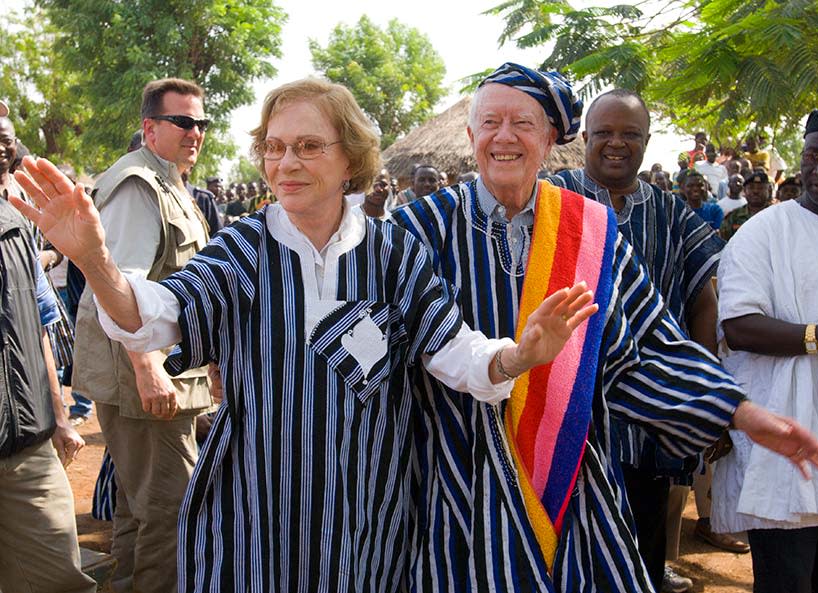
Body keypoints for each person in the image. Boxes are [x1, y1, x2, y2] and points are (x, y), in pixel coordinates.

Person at [13, 78, 600, 593]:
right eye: (274, 147)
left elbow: (454, 351)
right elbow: (155, 315)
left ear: (351, 160)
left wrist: (518, 356)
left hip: (366, 515)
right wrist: (94, 259)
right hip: (254, 513)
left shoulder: (393, 253)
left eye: (308, 146)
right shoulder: (244, 249)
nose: (285, 162)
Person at [391, 64, 818, 593]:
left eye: (523, 124)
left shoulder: (589, 232)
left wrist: (739, 412)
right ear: (470, 136)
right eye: (490, 122)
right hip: (455, 483)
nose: (504, 136)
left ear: (551, 139)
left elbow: (647, 348)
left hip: (573, 482)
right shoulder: (417, 229)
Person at [549, 88, 726, 591]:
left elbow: (702, 301)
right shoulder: (553, 198)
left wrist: (699, 390)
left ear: (647, 141)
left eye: (630, 134)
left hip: (647, 418)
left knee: (643, 547)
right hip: (565, 409)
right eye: (604, 132)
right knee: (564, 550)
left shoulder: (671, 214)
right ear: (585, 137)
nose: (616, 144)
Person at [70, 78, 213, 593]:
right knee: (171, 513)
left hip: (161, 373)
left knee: (138, 506)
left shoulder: (169, 179)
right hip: (145, 380)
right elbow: (121, 286)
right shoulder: (138, 184)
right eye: (183, 122)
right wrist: (149, 369)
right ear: (150, 128)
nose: (195, 132)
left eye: (201, 123)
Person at [712, 106, 818, 593]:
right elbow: (740, 327)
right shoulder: (764, 231)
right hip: (785, 445)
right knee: (787, 581)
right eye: (813, 156)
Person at [0, 100, 96, 593]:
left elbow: (37, 327)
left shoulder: (15, 224)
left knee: (61, 578)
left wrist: (59, 420)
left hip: (28, 445)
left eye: (6, 135)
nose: (2, 142)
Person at [720, 170, 773, 241]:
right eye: (751, 188)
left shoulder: (776, 215)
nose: (755, 191)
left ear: (769, 191)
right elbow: (724, 242)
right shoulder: (734, 216)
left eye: (760, 188)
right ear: (744, 191)